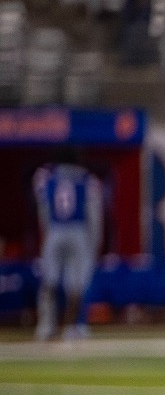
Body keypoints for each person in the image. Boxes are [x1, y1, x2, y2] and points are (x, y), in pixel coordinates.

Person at [32, 146, 102, 342]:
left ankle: (46, 326)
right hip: (78, 232)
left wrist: (48, 234)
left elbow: (43, 210)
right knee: (77, 284)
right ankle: (74, 326)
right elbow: (94, 216)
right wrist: (94, 244)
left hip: (55, 230)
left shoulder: (47, 178)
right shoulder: (86, 180)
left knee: (49, 281)